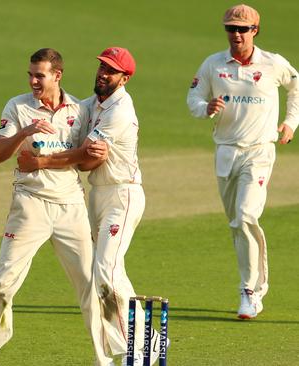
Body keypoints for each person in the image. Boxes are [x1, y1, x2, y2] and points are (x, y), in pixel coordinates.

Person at [16, 47, 165, 365]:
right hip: (97, 196)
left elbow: (86, 155)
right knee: (114, 273)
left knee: (104, 272)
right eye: (101, 66)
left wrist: (41, 161)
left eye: (110, 70)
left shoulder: (119, 110)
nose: (102, 73)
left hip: (122, 195)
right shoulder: (92, 104)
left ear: (124, 78)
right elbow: (70, 126)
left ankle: (133, 351)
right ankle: (146, 338)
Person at [0, 48, 113, 366]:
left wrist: (83, 155)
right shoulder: (18, 106)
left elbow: (88, 162)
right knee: (4, 281)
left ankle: (104, 358)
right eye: (31, 75)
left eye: (40, 75)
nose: (34, 81)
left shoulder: (79, 109)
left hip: (70, 206)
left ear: (57, 75)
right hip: (30, 204)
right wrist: (25, 131)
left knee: (90, 284)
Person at [187, 4, 299, 319]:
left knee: (247, 215)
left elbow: (296, 87)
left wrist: (291, 123)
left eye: (242, 29)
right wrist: (205, 108)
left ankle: (250, 291)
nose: (236, 34)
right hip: (225, 151)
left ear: (255, 31)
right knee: (236, 223)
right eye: (230, 29)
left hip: (260, 150)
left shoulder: (273, 63)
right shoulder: (213, 64)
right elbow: (192, 98)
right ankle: (249, 287)